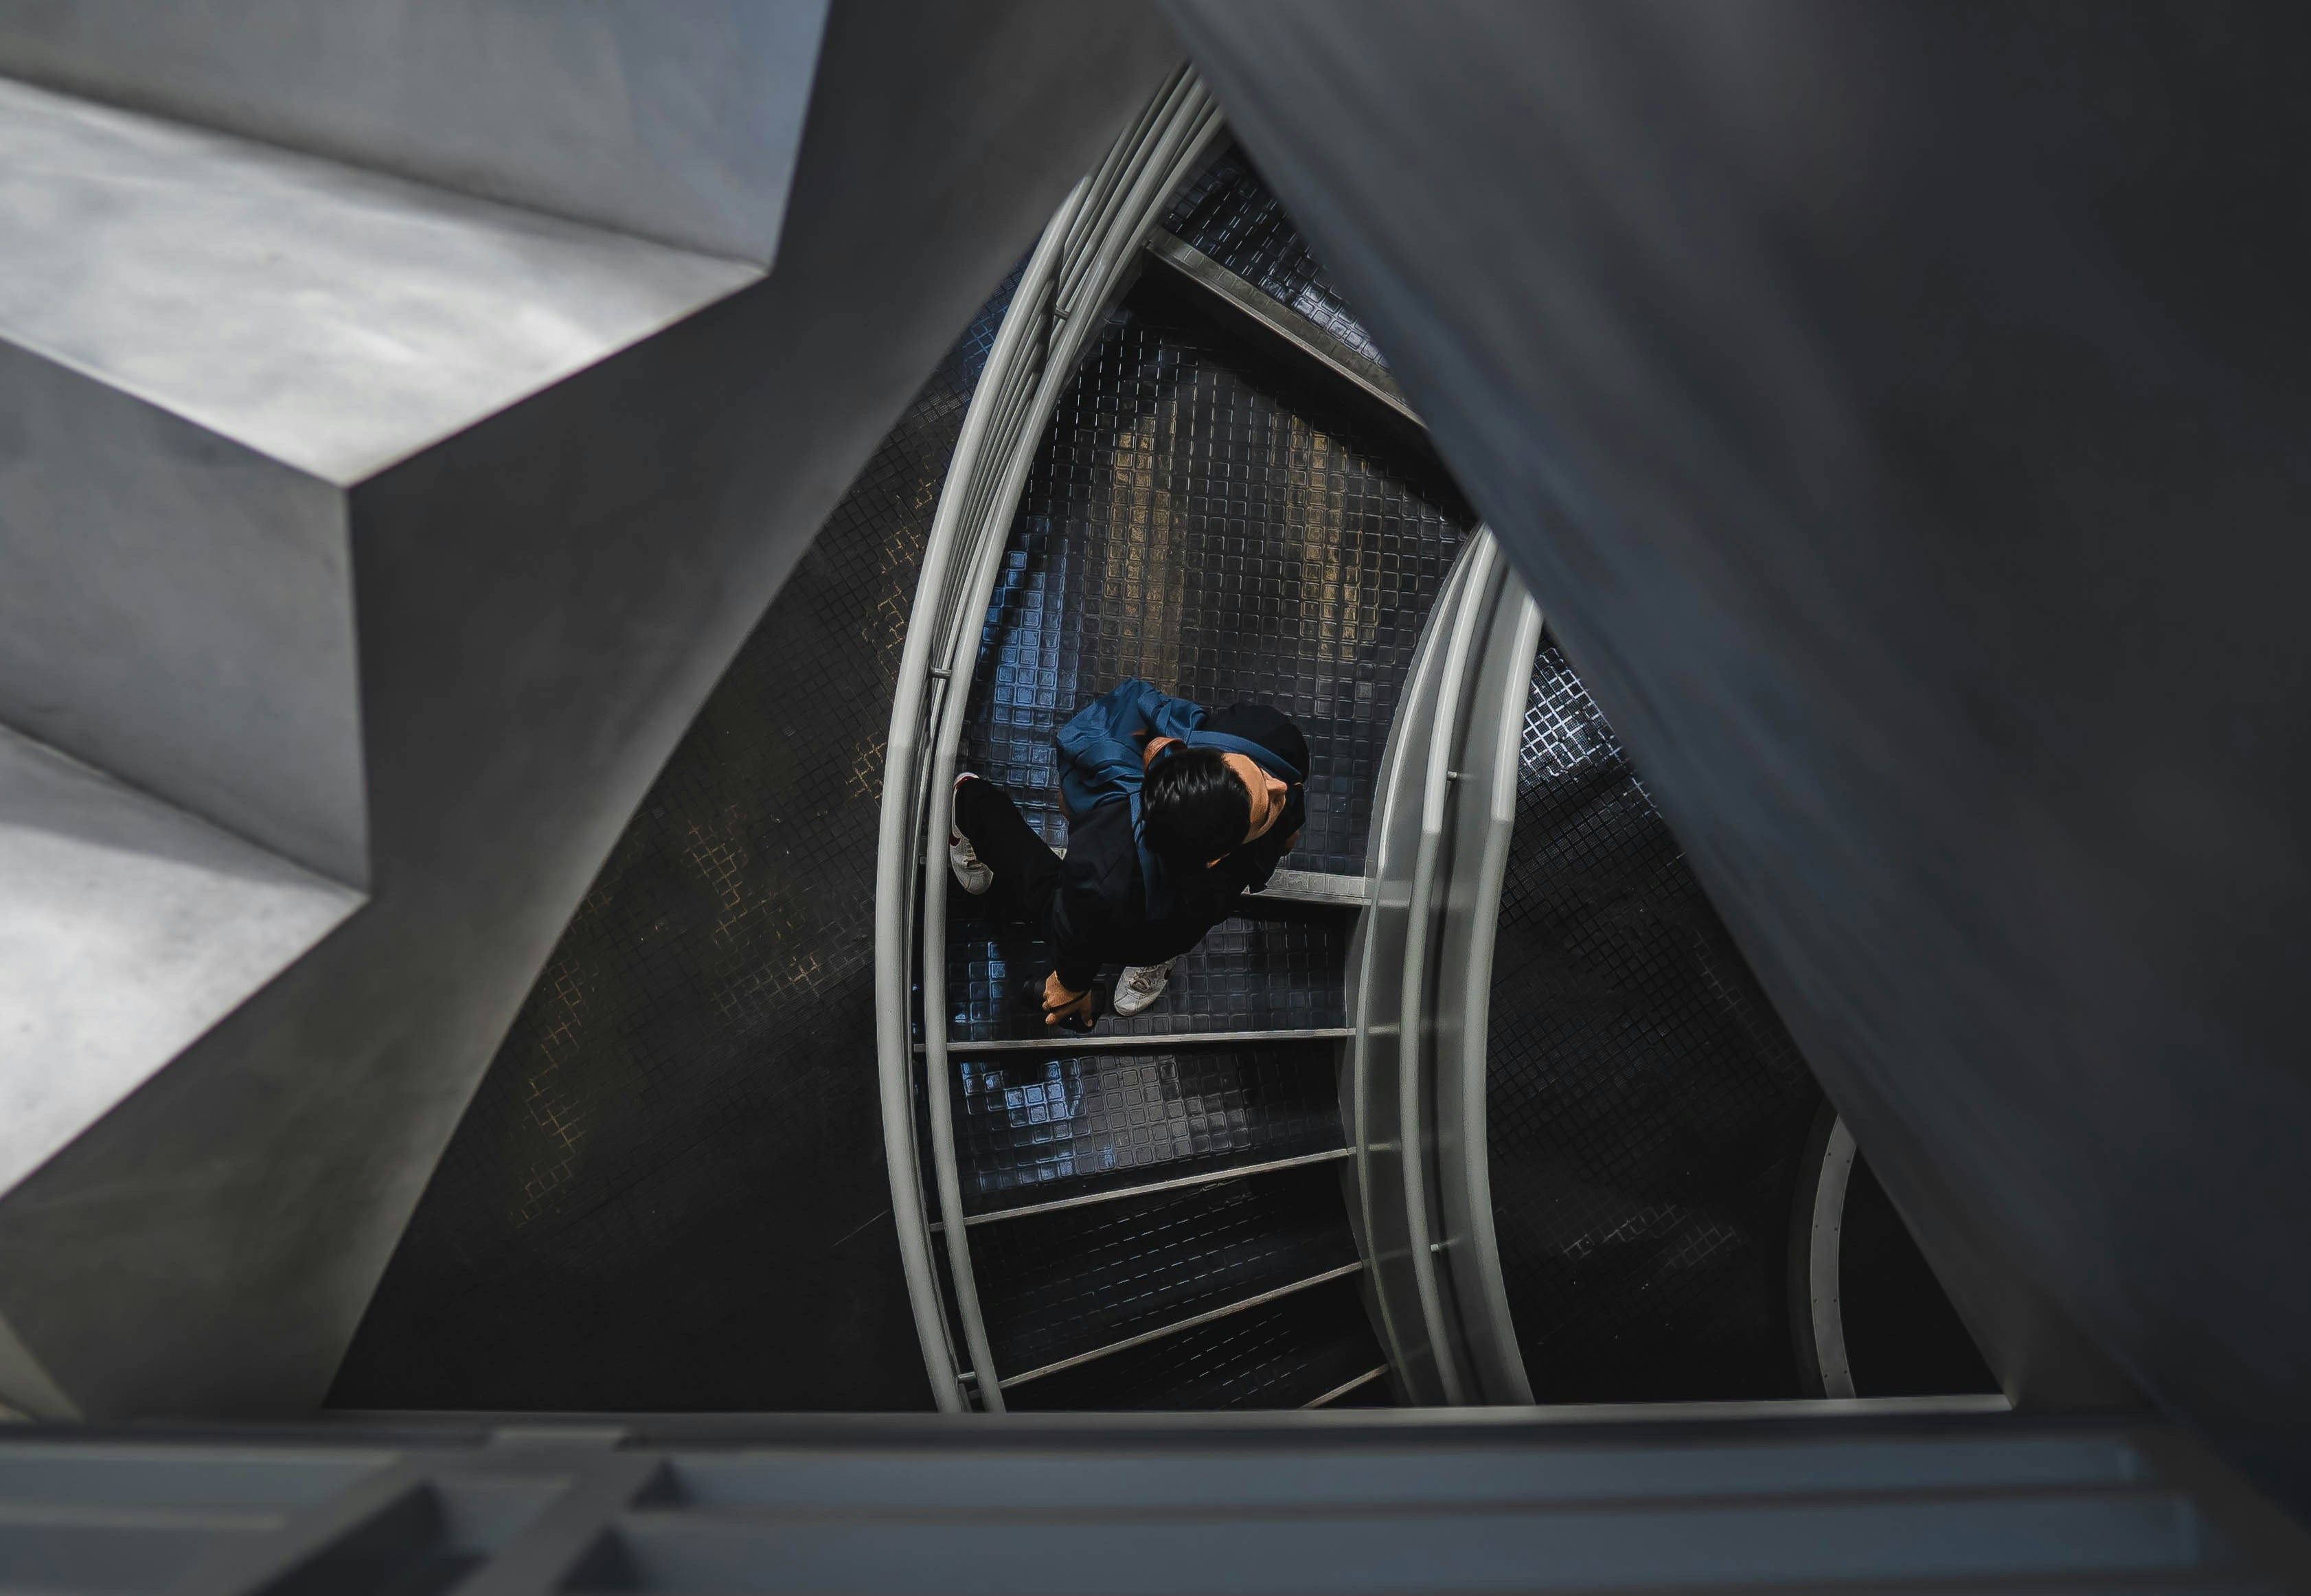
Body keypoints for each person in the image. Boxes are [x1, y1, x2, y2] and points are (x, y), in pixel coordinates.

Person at [949, 679, 1307, 1030]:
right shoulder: (1104, 870)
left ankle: (1160, 950)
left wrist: (1280, 826)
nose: (1281, 787)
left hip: (1188, 891)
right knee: (1047, 896)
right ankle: (971, 803)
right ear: (1216, 857)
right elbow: (1075, 932)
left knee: (1171, 925)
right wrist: (1071, 985)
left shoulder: (1264, 741)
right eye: (1269, 803)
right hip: (1119, 879)